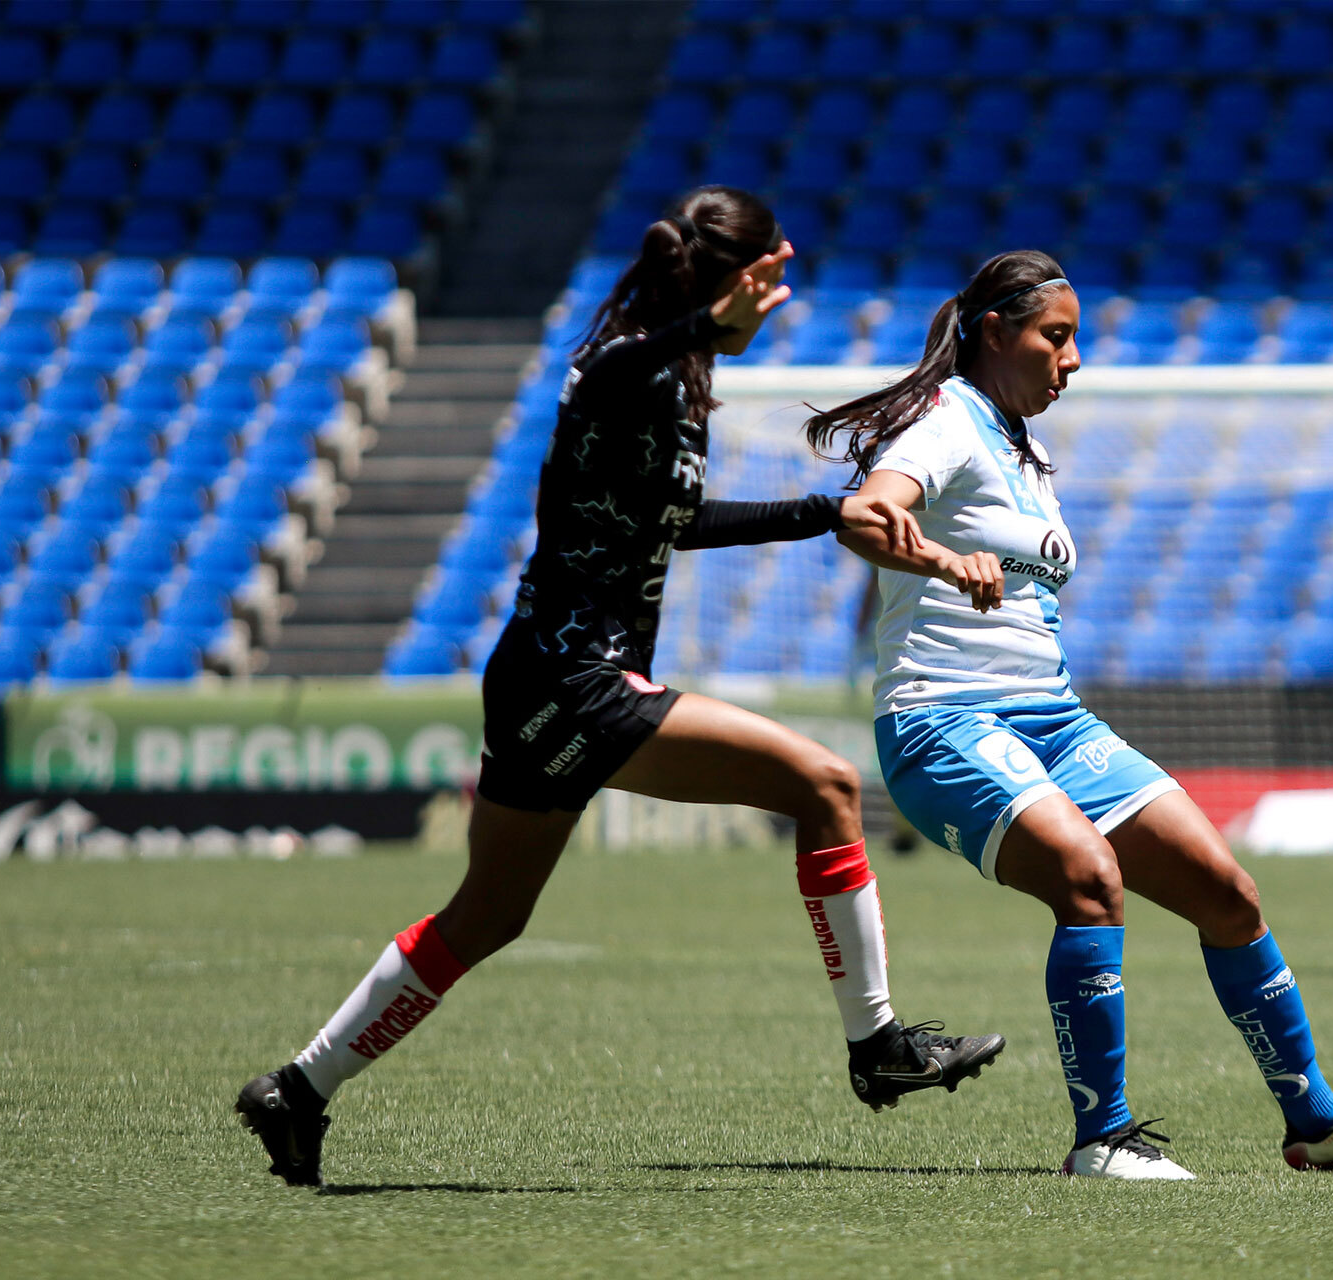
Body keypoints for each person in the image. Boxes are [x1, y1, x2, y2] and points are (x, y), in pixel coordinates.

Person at [236, 187, 1004, 1188]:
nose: (786, 277)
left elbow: (670, 522)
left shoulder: (677, 380)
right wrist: (700, 329)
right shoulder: (636, 359)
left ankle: (296, 1089)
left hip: (543, 677)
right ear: (737, 280)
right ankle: (878, 1045)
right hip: (576, 680)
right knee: (821, 782)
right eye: (774, 264)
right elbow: (606, 372)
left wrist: (825, 510)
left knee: (485, 916)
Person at [804, 250, 1333, 1180]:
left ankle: (1313, 1121)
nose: (1071, 361)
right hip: (944, 720)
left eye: (1075, 341)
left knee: (1227, 893)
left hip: (1052, 721)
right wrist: (947, 564)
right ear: (994, 332)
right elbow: (865, 515)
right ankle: (1101, 1139)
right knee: (1088, 876)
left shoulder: (1026, 448)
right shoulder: (946, 424)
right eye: (1054, 337)